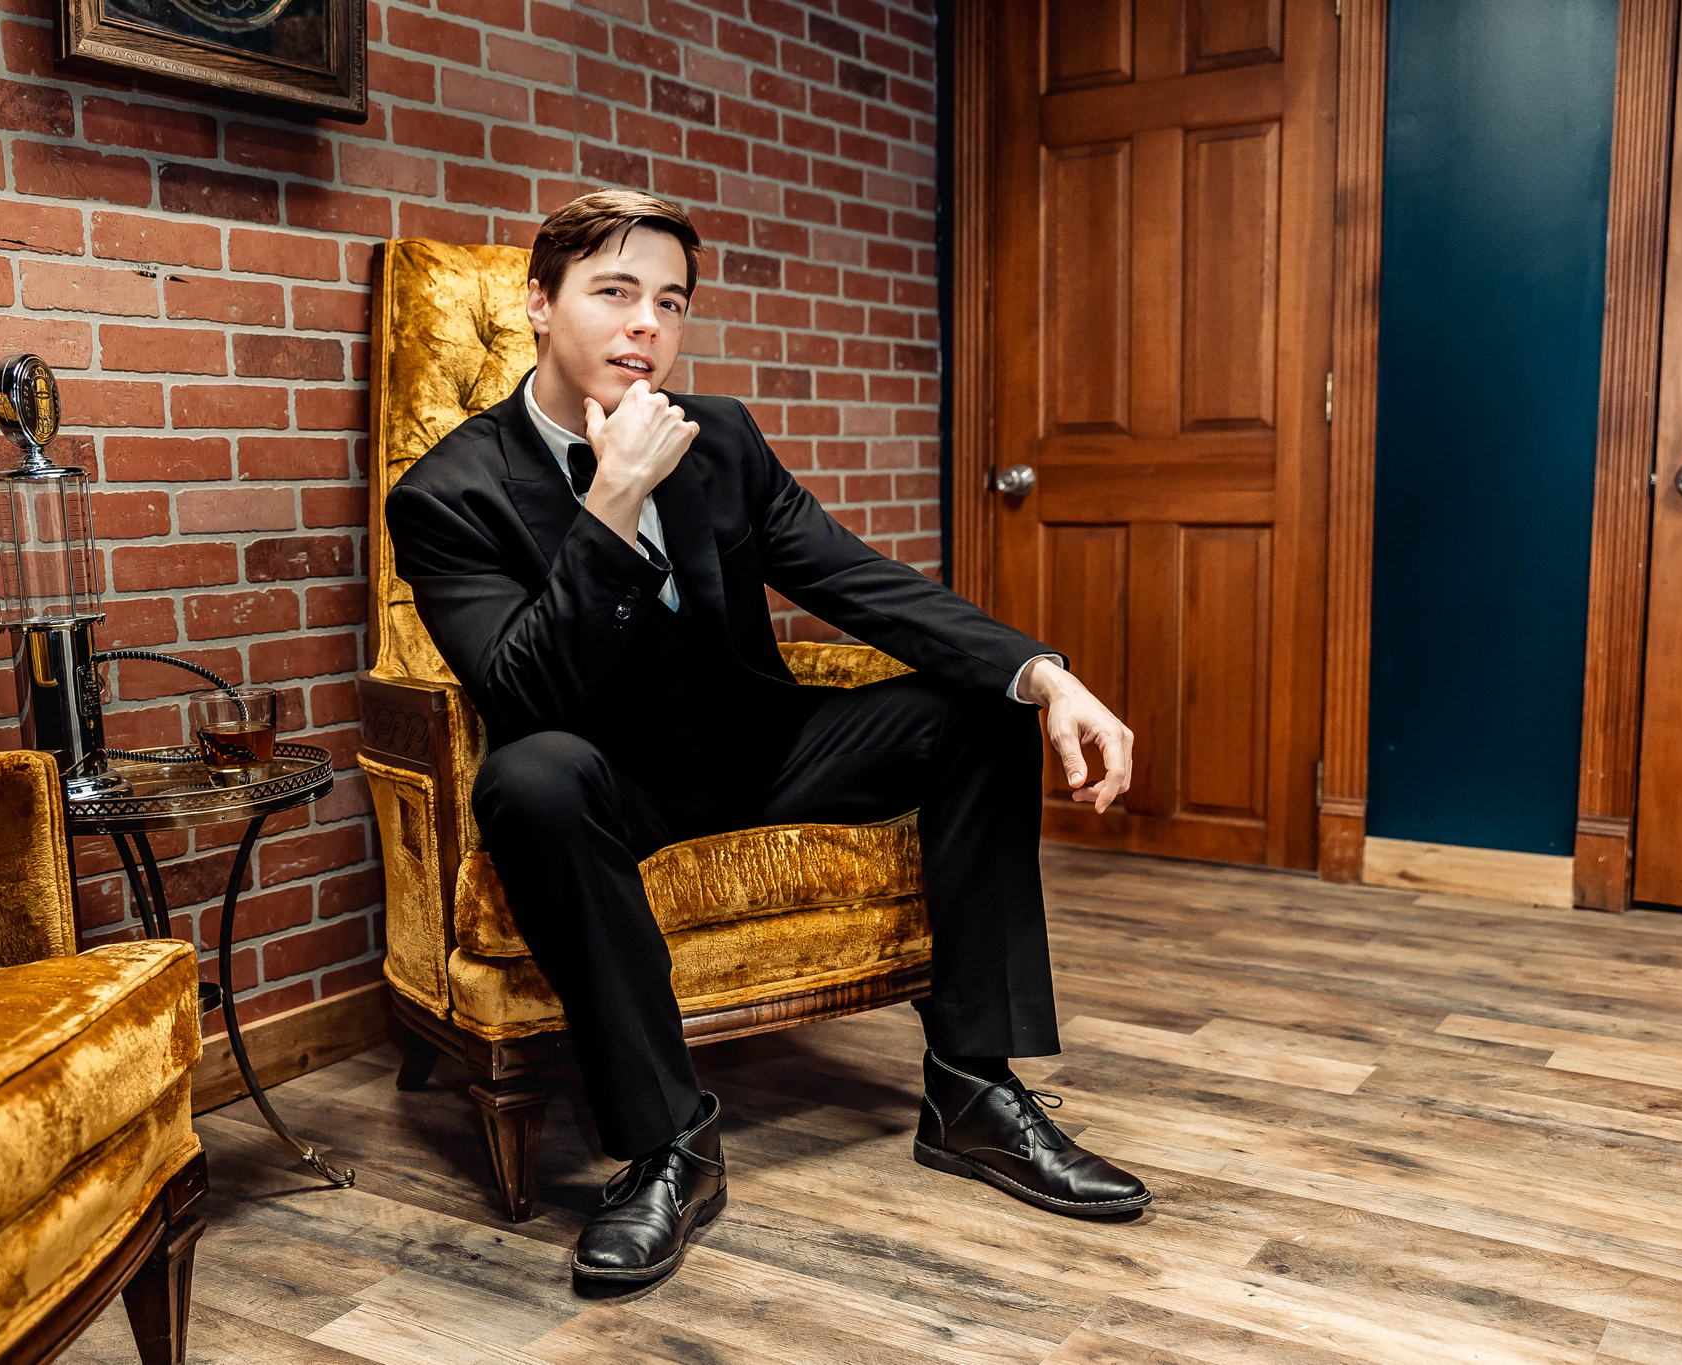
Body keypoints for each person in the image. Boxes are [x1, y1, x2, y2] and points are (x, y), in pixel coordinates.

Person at [386, 190, 1150, 1288]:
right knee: (529, 778)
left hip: (763, 746)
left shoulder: (723, 438)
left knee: (981, 707)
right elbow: (527, 690)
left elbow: (854, 579)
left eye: (669, 301)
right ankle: (668, 1147)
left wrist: (1044, 673)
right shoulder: (448, 492)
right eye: (612, 293)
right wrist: (608, 504)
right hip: (613, 781)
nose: (645, 324)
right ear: (539, 306)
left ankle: (972, 1092)